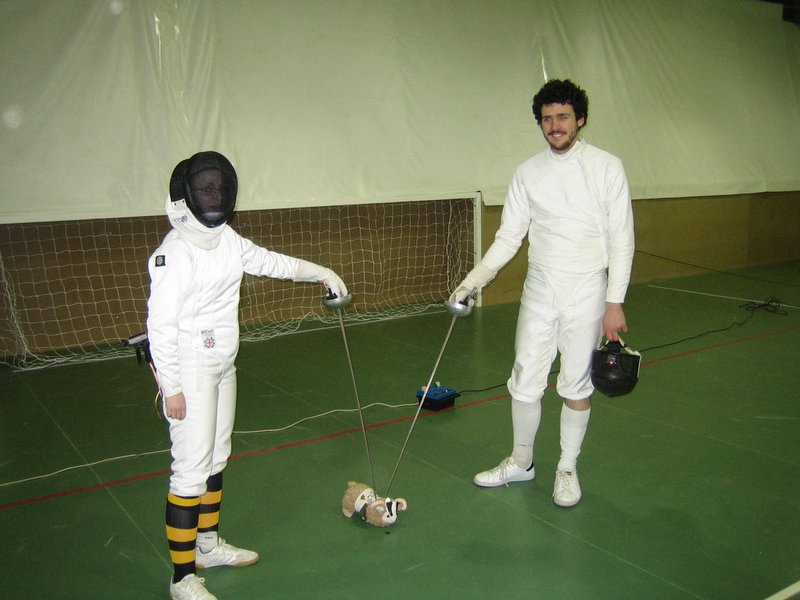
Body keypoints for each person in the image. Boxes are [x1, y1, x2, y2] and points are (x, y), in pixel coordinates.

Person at [147, 151, 348, 600]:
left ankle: (207, 547)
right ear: (186, 194)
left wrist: (321, 272)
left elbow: (273, 262)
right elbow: (159, 326)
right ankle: (182, 579)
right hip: (190, 372)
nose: (215, 196)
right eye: (206, 189)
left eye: (219, 187)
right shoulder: (174, 253)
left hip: (222, 365)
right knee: (189, 472)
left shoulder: (227, 240)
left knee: (217, 458)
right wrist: (172, 388)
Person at [451, 79, 634, 507]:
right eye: (547, 119)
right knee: (525, 380)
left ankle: (567, 468)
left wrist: (615, 302)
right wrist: (472, 281)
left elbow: (622, 238)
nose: (555, 126)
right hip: (540, 287)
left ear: (580, 119)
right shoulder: (528, 173)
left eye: (563, 117)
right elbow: (509, 236)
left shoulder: (607, 167)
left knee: (576, 385)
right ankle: (521, 462)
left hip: (588, 287)